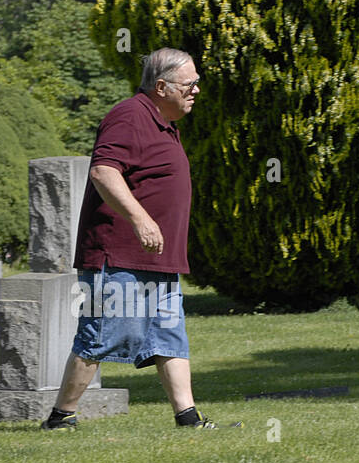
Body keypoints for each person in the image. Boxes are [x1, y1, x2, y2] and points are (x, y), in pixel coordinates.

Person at [42, 47, 234, 431]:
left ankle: (189, 418)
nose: (196, 90)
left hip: (159, 261)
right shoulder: (129, 115)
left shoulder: (162, 122)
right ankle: (60, 419)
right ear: (161, 86)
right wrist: (141, 220)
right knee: (100, 337)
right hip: (121, 256)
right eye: (189, 84)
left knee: (169, 339)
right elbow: (104, 171)